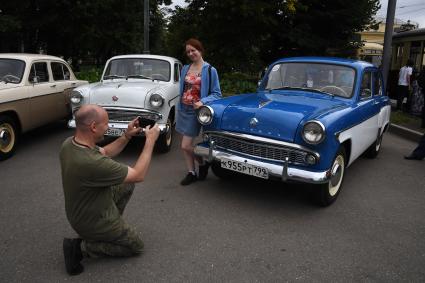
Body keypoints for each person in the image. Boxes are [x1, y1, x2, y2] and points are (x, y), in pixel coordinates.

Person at [59, 104, 160, 275]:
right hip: (91, 221)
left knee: (126, 183)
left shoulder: (69, 144)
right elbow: (138, 174)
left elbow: (105, 151)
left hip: (80, 212)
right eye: (106, 124)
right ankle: (81, 248)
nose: (109, 127)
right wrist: (150, 141)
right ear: (93, 127)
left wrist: (127, 135)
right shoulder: (91, 162)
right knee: (136, 246)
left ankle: (110, 230)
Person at [175, 38, 222, 185]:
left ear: (200, 50)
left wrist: (202, 102)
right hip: (184, 109)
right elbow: (183, 89)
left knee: (185, 145)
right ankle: (192, 171)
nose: (190, 53)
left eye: (193, 50)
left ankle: (201, 163)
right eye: (188, 51)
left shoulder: (209, 70)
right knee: (186, 146)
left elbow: (217, 93)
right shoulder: (185, 69)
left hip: (199, 112)